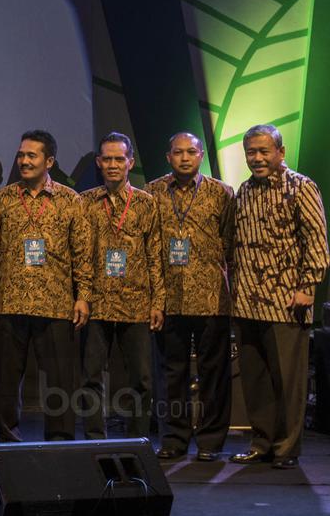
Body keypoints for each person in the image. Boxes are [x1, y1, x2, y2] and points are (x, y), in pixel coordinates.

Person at [0, 130, 91, 442]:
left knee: (59, 378)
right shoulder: (2, 200)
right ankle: (7, 438)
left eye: (32, 155)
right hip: (11, 301)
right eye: (21, 155)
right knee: (6, 378)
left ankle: (59, 438)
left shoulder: (70, 200)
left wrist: (83, 296)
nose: (24, 161)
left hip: (55, 303)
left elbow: (82, 254)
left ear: (49, 161)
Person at [229, 124, 328, 469]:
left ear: (280, 152)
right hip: (246, 302)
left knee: (288, 382)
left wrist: (307, 287)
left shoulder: (301, 187)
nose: (257, 158)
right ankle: (262, 444)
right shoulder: (244, 190)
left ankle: (286, 449)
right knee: (255, 381)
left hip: (286, 303)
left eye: (263, 151)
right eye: (251, 152)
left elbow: (317, 241)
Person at [146, 132, 234, 461]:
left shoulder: (222, 193)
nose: (184, 158)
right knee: (171, 374)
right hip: (169, 299)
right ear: (168, 157)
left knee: (214, 373)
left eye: (191, 152)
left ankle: (210, 442)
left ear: (200, 156)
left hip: (212, 298)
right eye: (178, 152)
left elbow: (230, 244)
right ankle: (173, 438)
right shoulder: (152, 192)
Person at [77, 132, 164, 440]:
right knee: (91, 377)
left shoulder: (146, 203)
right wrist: (82, 297)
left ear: (130, 162)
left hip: (136, 302)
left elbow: (155, 255)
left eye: (119, 159)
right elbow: (80, 255)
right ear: (99, 162)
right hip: (96, 302)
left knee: (141, 379)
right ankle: (94, 439)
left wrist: (158, 302)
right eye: (107, 159)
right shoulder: (85, 202)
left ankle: (137, 439)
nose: (113, 165)